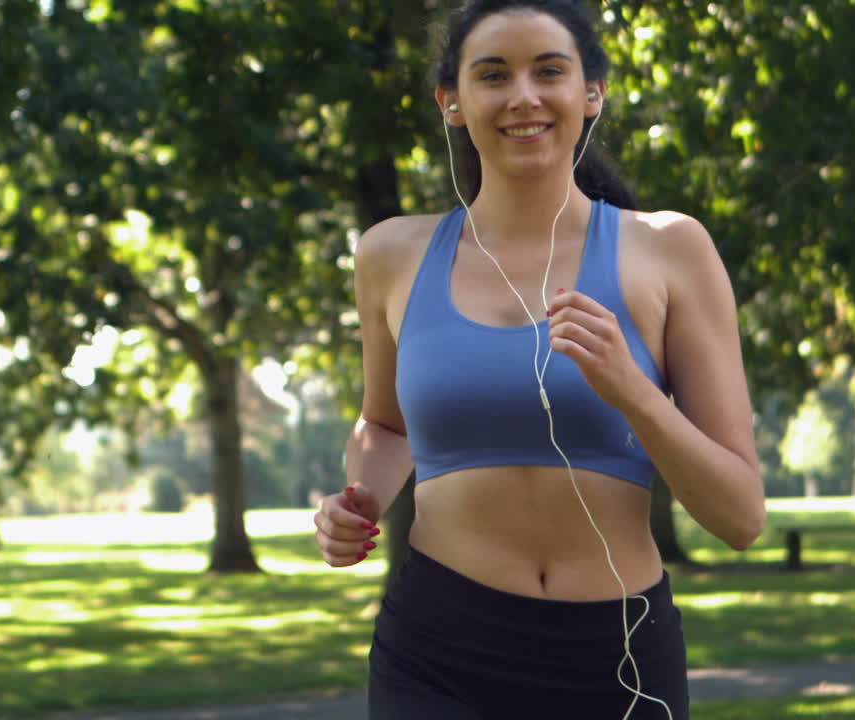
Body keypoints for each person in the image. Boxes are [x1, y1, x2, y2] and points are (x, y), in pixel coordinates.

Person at [313, 1, 764, 718]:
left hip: (618, 657)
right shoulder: (390, 254)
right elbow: (385, 427)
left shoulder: (670, 248)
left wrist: (633, 391)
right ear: (451, 101)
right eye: (494, 75)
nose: (523, 96)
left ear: (592, 93)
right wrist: (357, 500)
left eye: (549, 71)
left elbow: (740, 518)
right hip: (435, 651)